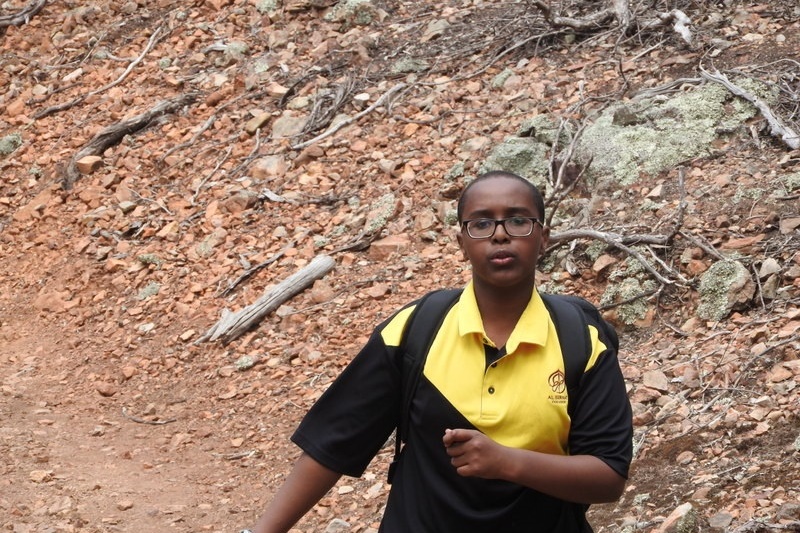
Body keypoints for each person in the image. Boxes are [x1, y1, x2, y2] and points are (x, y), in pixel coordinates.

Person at [243, 170, 633, 533]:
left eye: (517, 220)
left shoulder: (580, 340)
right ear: (461, 243)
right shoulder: (416, 330)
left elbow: (609, 476)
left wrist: (507, 462)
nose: (500, 235)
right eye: (481, 223)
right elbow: (333, 445)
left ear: (543, 237)